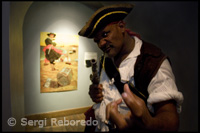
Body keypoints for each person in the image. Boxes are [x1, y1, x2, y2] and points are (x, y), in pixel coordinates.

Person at [78, 3, 183, 132]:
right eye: (97, 40)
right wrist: (96, 94)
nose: (101, 44)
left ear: (121, 26)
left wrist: (148, 123)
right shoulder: (105, 59)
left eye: (105, 35)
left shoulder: (152, 62)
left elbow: (171, 121)